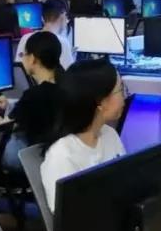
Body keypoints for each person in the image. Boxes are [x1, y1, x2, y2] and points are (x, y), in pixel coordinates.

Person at [40, 59, 126, 210]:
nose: (125, 95)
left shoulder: (109, 134)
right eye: (120, 89)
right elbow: (70, 217)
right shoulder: (62, 156)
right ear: (100, 102)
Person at [0, 31, 64, 171]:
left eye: (23, 55)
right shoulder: (66, 82)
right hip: (57, 156)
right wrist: (10, 105)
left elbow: (1, 129)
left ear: (33, 59)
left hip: (38, 158)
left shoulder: (34, 95)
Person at [15, 0, 74, 69]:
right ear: (63, 15)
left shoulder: (25, 38)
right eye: (67, 16)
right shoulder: (62, 42)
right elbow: (70, 73)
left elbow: (18, 69)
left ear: (42, 18)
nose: (67, 20)